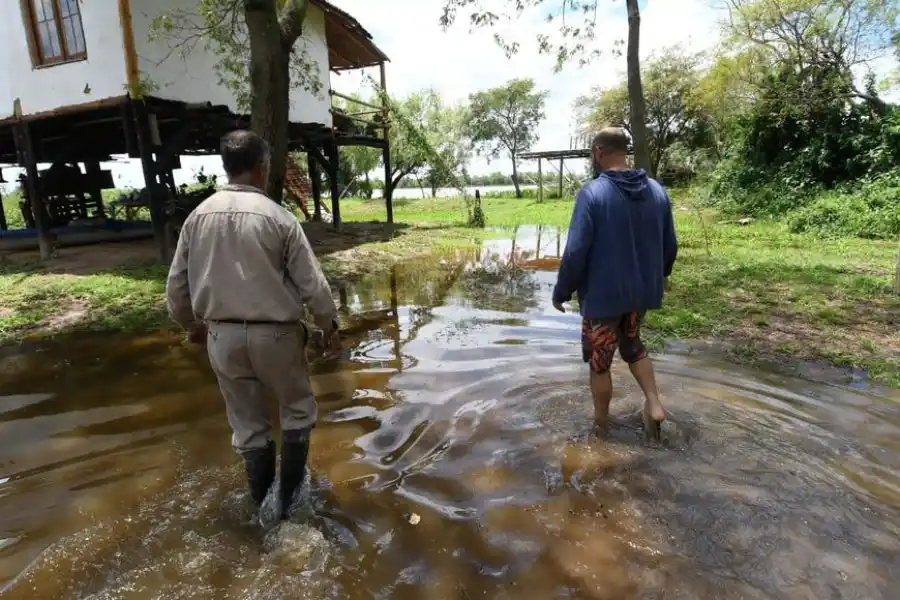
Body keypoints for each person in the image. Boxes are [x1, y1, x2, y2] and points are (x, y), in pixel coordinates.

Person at [165, 129, 340, 518]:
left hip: (221, 337)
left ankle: (262, 509)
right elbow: (313, 285)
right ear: (263, 168)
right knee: (297, 412)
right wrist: (329, 327)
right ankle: (291, 505)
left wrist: (192, 326)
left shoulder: (196, 219)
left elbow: (176, 289)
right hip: (277, 336)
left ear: (226, 167)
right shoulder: (279, 218)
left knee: (248, 427)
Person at [552, 127, 678, 439]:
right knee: (633, 346)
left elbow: (576, 249)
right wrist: (656, 278)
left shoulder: (593, 193)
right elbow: (670, 246)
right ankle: (654, 403)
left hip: (603, 298)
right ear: (625, 150)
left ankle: (601, 425)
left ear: (597, 152)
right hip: (639, 295)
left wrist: (562, 290)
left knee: (600, 362)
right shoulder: (657, 191)